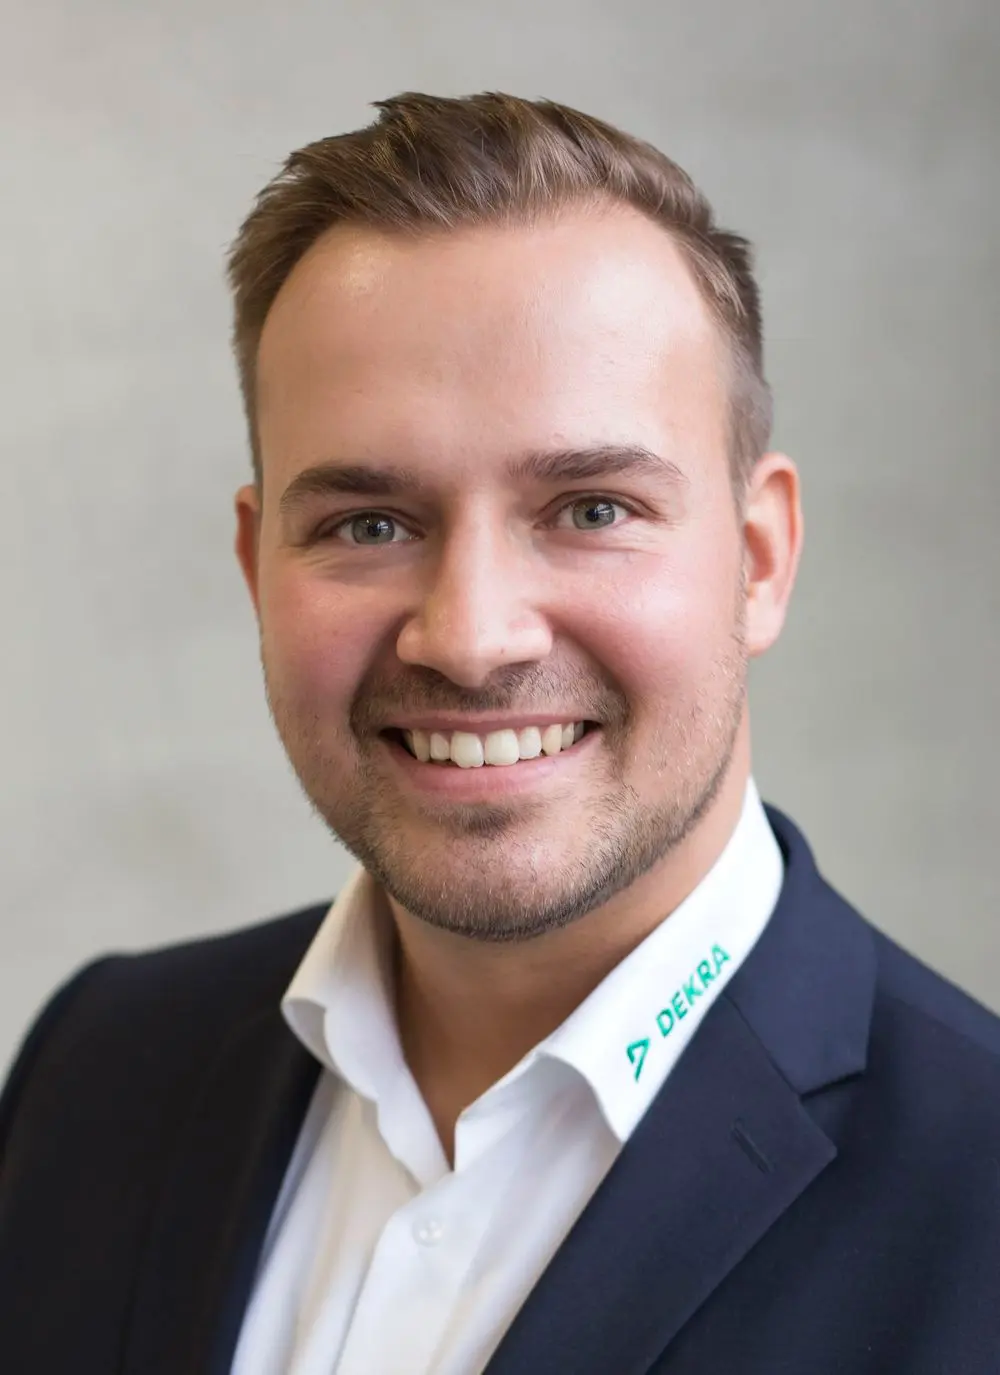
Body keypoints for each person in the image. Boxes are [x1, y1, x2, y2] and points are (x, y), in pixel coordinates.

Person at [1, 89, 998, 1375]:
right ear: (258, 568)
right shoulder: (94, 1072)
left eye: (590, 509)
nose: (470, 638)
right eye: (367, 524)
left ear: (758, 560)